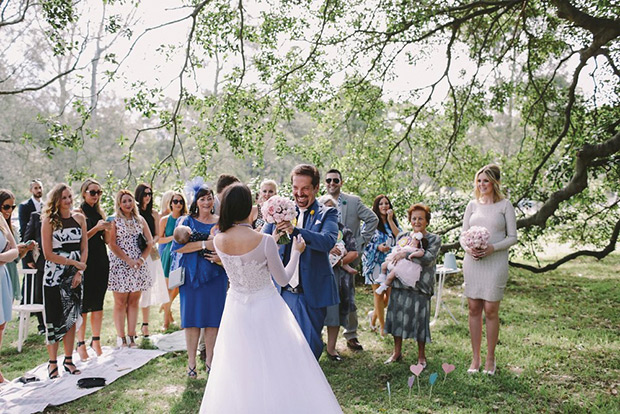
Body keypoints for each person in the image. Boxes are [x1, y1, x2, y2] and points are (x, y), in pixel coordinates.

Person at [200, 183, 342, 413]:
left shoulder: (219, 239)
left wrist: (273, 243)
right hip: (266, 308)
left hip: (236, 308)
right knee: (276, 362)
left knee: (240, 364)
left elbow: (244, 260)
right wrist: (296, 252)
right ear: (249, 207)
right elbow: (284, 279)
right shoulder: (263, 241)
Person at [262, 164, 339, 360]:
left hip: (310, 293)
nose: (299, 193)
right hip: (282, 292)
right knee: (282, 349)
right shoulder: (280, 210)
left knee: (310, 349)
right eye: (296, 188)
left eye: (305, 188)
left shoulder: (327, 213)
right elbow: (262, 242)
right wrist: (273, 235)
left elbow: (328, 241)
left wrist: (294, 231)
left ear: (316, 188)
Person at [460, 164, 517, 375]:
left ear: (494, 182)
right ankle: (475, 359)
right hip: (472, 263)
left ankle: (490, 360)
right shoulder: (471, 206)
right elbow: (462, 235)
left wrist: (492, 247)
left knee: (491, 310)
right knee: (474, 308)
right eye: (479, 180)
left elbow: (513, 237)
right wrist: (469, 248)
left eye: (486, 180)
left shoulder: (505, 206)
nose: (482, 184)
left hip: (496, 263)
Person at [171, 185, 227, 376]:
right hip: (191, 277)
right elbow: (177, 248)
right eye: (202, 198)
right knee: (192, 320)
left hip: (216, 276)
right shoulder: (186, 221)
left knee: (213, 320)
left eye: (209, 198)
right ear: (195, 201)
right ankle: (191, 364)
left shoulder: (221, 222)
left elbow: (227, 246)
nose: (206, 202)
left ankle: (210, 361)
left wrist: (218, 255)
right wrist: (204, 244)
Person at [325, 168, 378, 350]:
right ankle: (321, 334)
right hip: (325, 257)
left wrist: (359, 241)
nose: (332, 184)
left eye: (335, 180)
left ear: (341, 182)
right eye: (329, 180)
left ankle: (351, 335)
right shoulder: (319, 202)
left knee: (348, 294)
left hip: (348, 255)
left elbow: (372, 219)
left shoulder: (353, 202)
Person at [41, 184, 88, 378]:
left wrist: (78, 271)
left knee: (70, 319)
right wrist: (71, 262)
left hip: (75, 276)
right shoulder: (49, 221)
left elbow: (84, 247)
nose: (68, 200)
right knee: (53, 319)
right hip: (54, 276)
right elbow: (47, 253)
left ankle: (69, 360)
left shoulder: (79, 218)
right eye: (64, 197)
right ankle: (52, 364)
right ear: (56, 200)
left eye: (70, 196)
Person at [384, 204, 441, 365]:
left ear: (427, 221)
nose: (417, 221)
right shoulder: (404, 237)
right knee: (397, 318)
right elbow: (395, 253)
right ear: (410, 220)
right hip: (399, 284)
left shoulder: (434, 239)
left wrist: (405, 254)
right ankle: (396, 353)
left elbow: (428, 257)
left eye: (420, 218)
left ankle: (421, 356)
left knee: (420, 321)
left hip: (421, 287)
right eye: (414, 218)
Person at [107, 190, 153, 348]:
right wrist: (127, 260)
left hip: (138, 265)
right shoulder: (114, 220)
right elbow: (112, 244)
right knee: (120, 302)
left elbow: (149, 242)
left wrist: (140, 259)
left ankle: (132, 336)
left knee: (134, 301)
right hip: (120, 264)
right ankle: (121, 337)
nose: (127, 204)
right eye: (124, 201)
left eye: (130, 200)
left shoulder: (140, 220)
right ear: (119, 203)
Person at [317, 195, 358, 361]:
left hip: (337, 278)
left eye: (331, 208)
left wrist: (340, 261)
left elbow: (354, 252)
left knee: (333, 313)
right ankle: (316, 345)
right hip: (318, 276)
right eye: (324, 208)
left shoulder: (344, 230)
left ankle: (332, 348)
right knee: (316, 313)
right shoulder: (315, 228)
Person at [75, 179, 110, 360]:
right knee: (83, 305)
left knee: (98, 303)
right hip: (85, 262)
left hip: (101, 260)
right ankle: (80, 344)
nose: (96, 196)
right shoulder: (78, 213)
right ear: (84, 192)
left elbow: (107, 241)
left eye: (99, 192)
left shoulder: (100, 213)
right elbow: (79, 240)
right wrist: (96, 229)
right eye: (92, 192)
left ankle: (96, 340)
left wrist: (107, 230)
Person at [362, 194, 400, 336]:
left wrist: (390, 220)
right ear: (376, 207)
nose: (384, 206)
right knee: (379, 294)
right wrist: (377, 247)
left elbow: (401, 238)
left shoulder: (393, 221)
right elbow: (363, 241)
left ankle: (373, 316)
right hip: (375, 263)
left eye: (387, 203)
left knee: (389, 297)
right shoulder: (370, 222)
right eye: (381, 204)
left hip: (390, 262)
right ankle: (383, 327)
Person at [136, 183, 169, 338]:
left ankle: (145, 324)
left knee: (147, 288)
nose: (147, 196)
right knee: (135, 290)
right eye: (145, 194)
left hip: (151, 253)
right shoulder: (134, 213)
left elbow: (157, 234)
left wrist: (151, 241)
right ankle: (132, 325)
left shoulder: (154, 214)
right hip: (136, 253)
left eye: (150, 193)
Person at [158, 191, 187, 330]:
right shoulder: (164, 220)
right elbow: (160, 239)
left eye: (181, 201)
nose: (178, 204)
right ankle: (166, 322)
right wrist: (173, 237)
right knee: (169, 289)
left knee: (178, 288)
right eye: (175, 201)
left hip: (182, 254)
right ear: (171, 203)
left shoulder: (186, 219)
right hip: (169, 255)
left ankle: (167, 308)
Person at [0, 190, 35, 302]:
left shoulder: (12, 229)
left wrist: (23, 250)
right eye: (6, 207)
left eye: (12, 207)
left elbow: (15, 259)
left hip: (10, 273)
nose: (9, 210)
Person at [0, 215, 19, 384]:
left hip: (1, 275)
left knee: (0, 325)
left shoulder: (0, 218)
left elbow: (14, 250)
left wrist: (1, 257)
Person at [18, 179, 43, 245]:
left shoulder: (46, 206)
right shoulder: (24, 206)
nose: (39, 190)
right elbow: (23, 227)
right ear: (31, 190)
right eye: (36, 188)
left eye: (40, 187)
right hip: (30, 243)